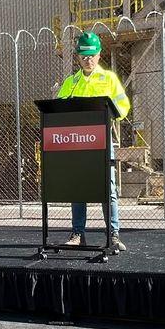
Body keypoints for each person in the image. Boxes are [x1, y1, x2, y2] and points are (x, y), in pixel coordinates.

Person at [57, 31, 131, 252]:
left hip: (101, 141)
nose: (88, 59)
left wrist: (109, 110)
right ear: (77, 57)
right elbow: (59, 110)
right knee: (79, 189)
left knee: (108, 189)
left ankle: (113, 235)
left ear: (99, 55)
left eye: (92, 55)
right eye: (83, 55)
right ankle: (78, 233)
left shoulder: (108, 79)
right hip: (77, 143)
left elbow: (123, 107)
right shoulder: (71, 82)